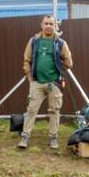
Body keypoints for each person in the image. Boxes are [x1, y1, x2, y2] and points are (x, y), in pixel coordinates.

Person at [18, 15, 73, 149]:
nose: (48, 26)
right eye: (46, 23)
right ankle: (25, 137)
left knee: (54, 111)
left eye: (51, 24)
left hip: (54, 84)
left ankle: (53, 138)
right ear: (41, 25)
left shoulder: (60, 43)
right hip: (37, 83)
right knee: (31, 110)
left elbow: (69, 63)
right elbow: (27, 60)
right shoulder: (34, 41)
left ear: (55, 26)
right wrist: (30, 78)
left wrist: (59, 69)